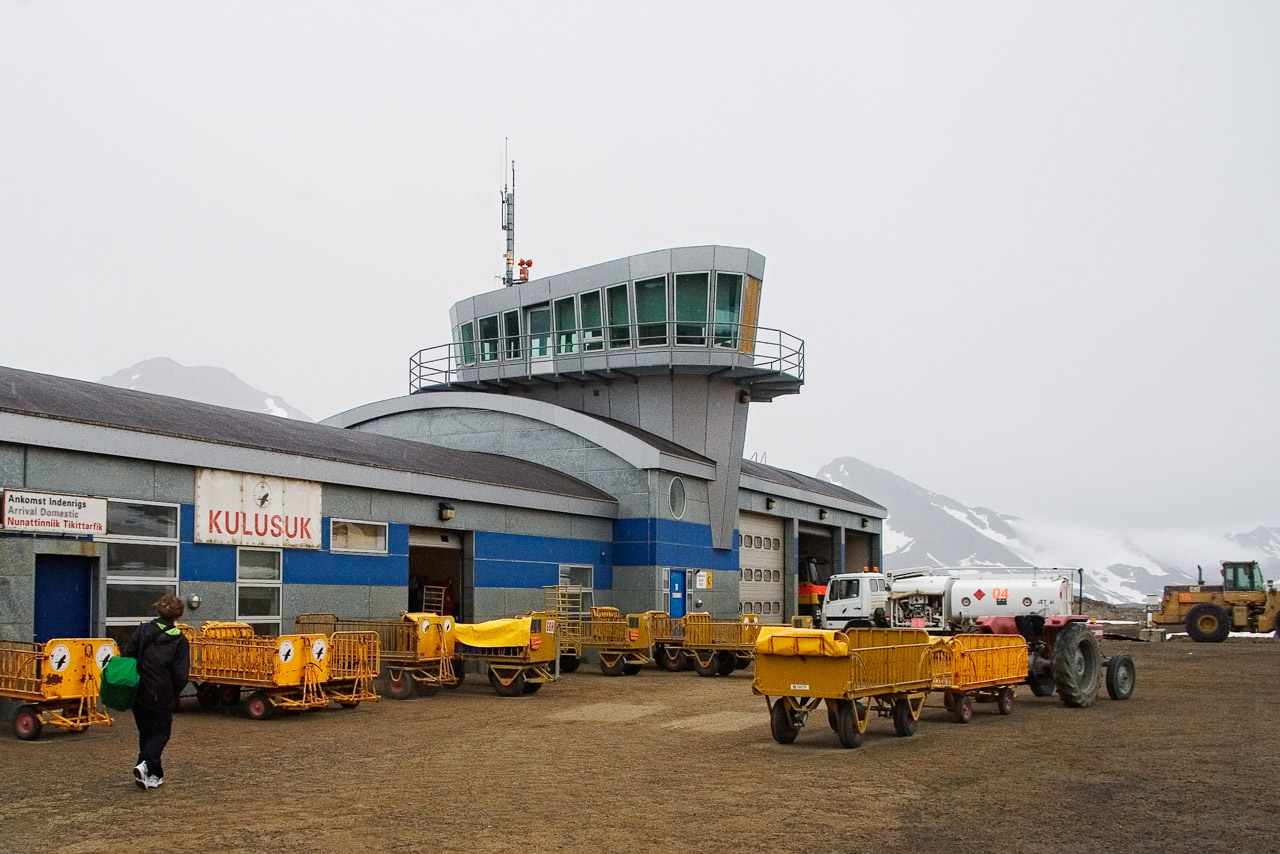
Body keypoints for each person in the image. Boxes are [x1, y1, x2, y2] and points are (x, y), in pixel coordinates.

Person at [123, 593, 191, 791]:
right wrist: (174, 692)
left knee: (147, 732)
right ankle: (145, 765)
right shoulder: (179, 640)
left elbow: (128, 655)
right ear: (178, 615)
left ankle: (153, 774)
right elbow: (181, 674)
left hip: (139, 690)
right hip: (162, 692)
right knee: (162, 732)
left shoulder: (143, 630)